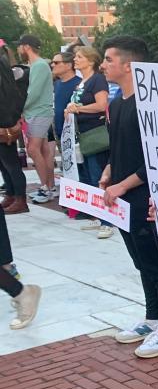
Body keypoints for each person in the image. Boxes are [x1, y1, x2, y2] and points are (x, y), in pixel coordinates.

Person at [99, 36, 158, 359]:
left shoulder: (151, 105)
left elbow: (157, 158)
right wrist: (109, 171)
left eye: (109, 59)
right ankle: (151, 318)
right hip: (120, 198)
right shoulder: (117, 102)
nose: (103, 65)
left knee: (157, 260)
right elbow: (118, 146)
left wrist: (124, 185)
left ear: (129, 64)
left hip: (146, 197)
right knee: (141, 262)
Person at [65, 46, 114, 239]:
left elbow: (102, 105)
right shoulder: (81, 82)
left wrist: (78, 109)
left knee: (97, 175)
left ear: (91, 60)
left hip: (95, 133)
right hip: (81, 134)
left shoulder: (97, 79)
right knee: (86, 175)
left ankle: (107, 220)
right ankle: (96, 213)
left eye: (79, 57)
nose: (75, 60)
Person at [16, 35, 56, 204]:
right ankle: (50, 187)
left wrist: (20, 110)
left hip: (38, 111)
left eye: (19, 47)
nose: (18, 50)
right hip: (39, 111)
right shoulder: (38, 65)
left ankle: (45, 188)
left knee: (33, 149)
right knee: (44, 150)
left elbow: (34, 92)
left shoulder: (39, 65)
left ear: (26, 47)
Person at [0, 46, 29, 215]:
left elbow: (8, 102)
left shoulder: (8, 78)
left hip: (5, 123)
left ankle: (20, 199)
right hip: (5, 121)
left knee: (10, 163)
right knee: (4, 164)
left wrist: (7, 122)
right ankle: (11, 194)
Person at [51, 51, 80, 141]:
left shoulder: (80, 84)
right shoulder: (56, 84)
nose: (52, 65)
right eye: (52, 62)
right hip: (59, 134)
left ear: (69, 65)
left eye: (56, 62)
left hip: (75, 134)